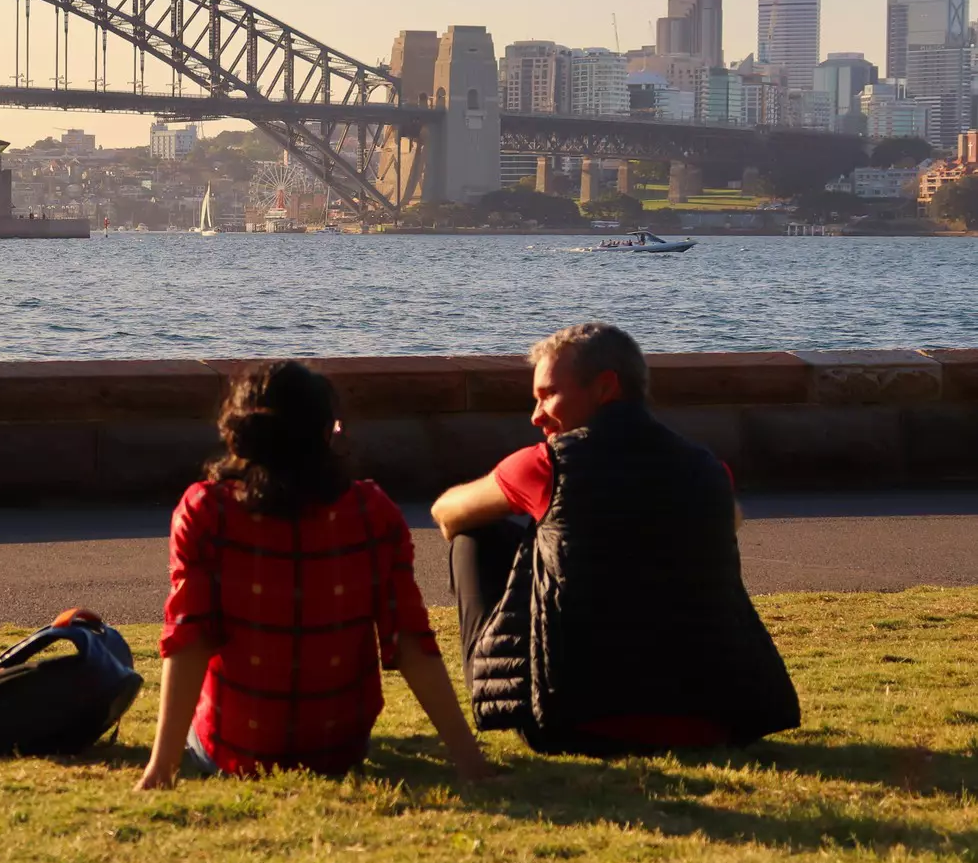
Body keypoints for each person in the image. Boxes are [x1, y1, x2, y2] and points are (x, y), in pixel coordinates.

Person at [430, 322, 798, 756]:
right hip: (713, 721)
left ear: (605, 388)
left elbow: (446, 513)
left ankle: (497, 706)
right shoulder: (708, 469)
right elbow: (729, 522)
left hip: (576, 723)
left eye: (548, 395)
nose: (536, 415)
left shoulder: (546, 464)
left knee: (476, 535)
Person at [138, 361, 491, 789]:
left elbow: (189, 638)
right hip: (338, 748)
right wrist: (470, 763)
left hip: (235, 749)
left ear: (238, 432)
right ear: (326, 433)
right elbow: (412, 641)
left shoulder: (206, 511)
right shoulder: (371, 511)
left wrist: (160, 769)